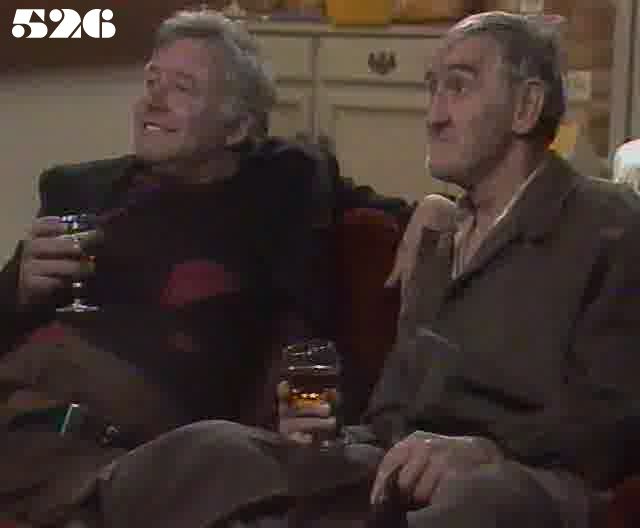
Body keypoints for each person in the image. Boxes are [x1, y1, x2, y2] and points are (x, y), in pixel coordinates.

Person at [90, 10, 640, 528]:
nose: (434, 115)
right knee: (214, 447)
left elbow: (612, 418)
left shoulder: (608, 225)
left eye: (458, 87)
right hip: (397, 465)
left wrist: (485, 452)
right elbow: (392, 412)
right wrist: (330, 435)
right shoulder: (437, 237)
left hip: (525, 478)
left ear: (526, 106)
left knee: (480, 499)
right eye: (431, 89)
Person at [0, 8, 324, 526]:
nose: (153, 99)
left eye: (183, 88)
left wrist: (437, 207)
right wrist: (18, 285)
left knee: (219, 459)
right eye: (152, 81)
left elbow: (375, 211)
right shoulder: (80, 190)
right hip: (31, 392)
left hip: (137, 433)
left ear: (238, 126)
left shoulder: (278, 191)